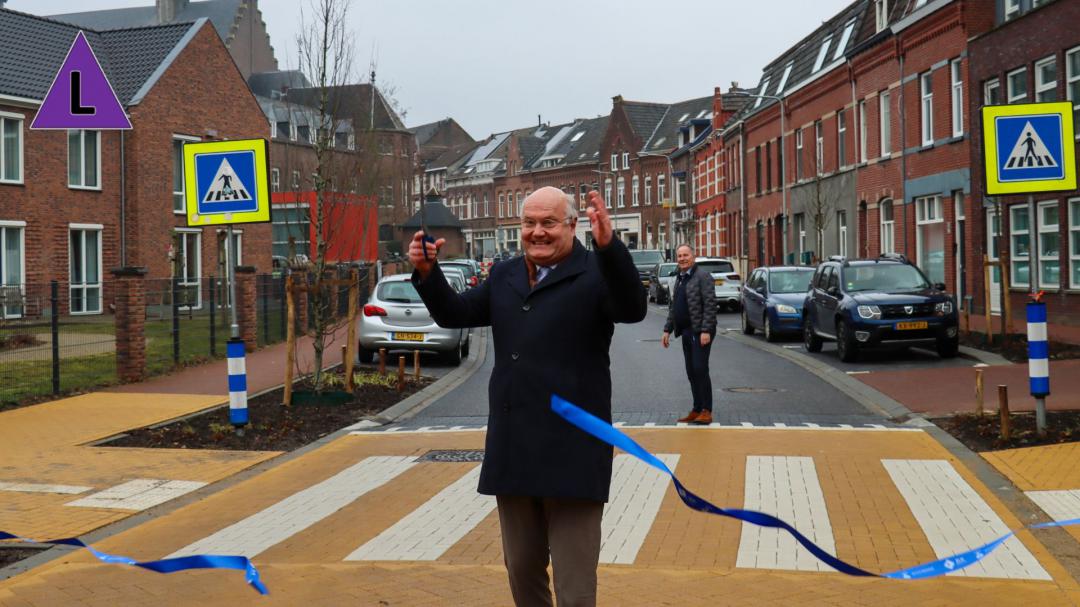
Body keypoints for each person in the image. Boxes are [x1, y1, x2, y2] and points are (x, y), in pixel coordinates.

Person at [408, 186, 646, 607]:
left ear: (572, 226)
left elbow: (632, 307)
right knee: (521, 570)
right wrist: (429, 274)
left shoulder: (594, 274)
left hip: (574, 453)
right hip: (515, 450)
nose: (537, 232)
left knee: (574, 590)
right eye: (529, 223)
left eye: (548, 223)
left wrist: (610, 248)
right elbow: (455, 313)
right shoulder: (505, 275)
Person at [661, 244, 717, 425]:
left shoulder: (703, 276)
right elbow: (673, 306)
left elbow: (710, 304)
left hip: (699, 331)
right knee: (691, 371)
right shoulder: (680, 278)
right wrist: (667, 329)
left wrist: (706, 330)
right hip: (685, 331)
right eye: (679, 256)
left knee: (700, 369)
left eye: (685, 255)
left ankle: (707, 411)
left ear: (693, 256)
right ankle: (697, 409)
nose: (682, 258)